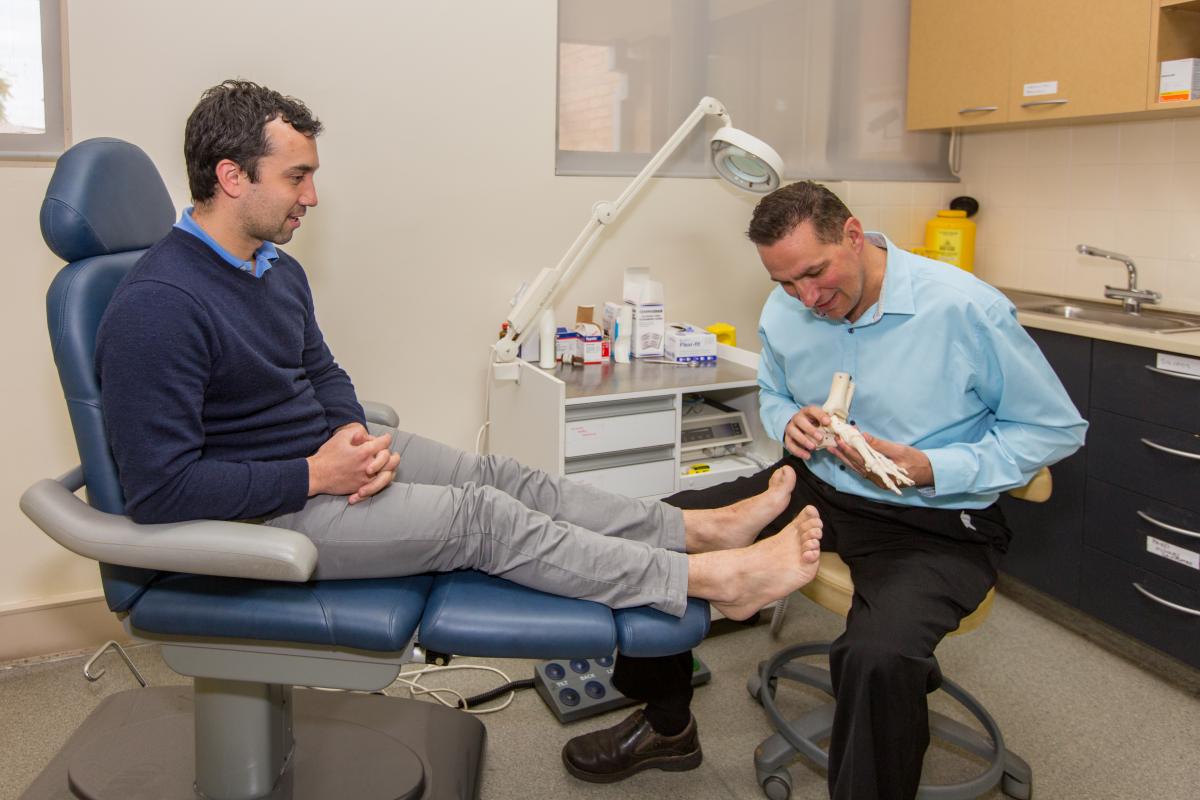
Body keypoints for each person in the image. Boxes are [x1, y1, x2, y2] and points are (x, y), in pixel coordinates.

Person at [94, 80, 825, 629]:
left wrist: (349, 434)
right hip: (259, 514)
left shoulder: (272, 268)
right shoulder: (158, 304)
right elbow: (160, 494)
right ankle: (706, 580)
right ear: (231, 177)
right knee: (482, 519)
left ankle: (694, 527)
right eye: (296, 176)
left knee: (503, 477)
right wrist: (316, 471)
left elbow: (319, 371)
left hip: (321, 461)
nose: (312, 195)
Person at [562, 181, 1087, 799]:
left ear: (854, 235)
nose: (807, 298)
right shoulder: (785, 309)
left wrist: (935, 468)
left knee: (878, 655)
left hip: (933, 521)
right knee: (655, 532)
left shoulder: (965, 310)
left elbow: (1054, 429)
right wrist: (790, 421)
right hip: (819, 487)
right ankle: (666, 725)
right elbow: (774, 392)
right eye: (787, 283)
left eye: (815, 273)